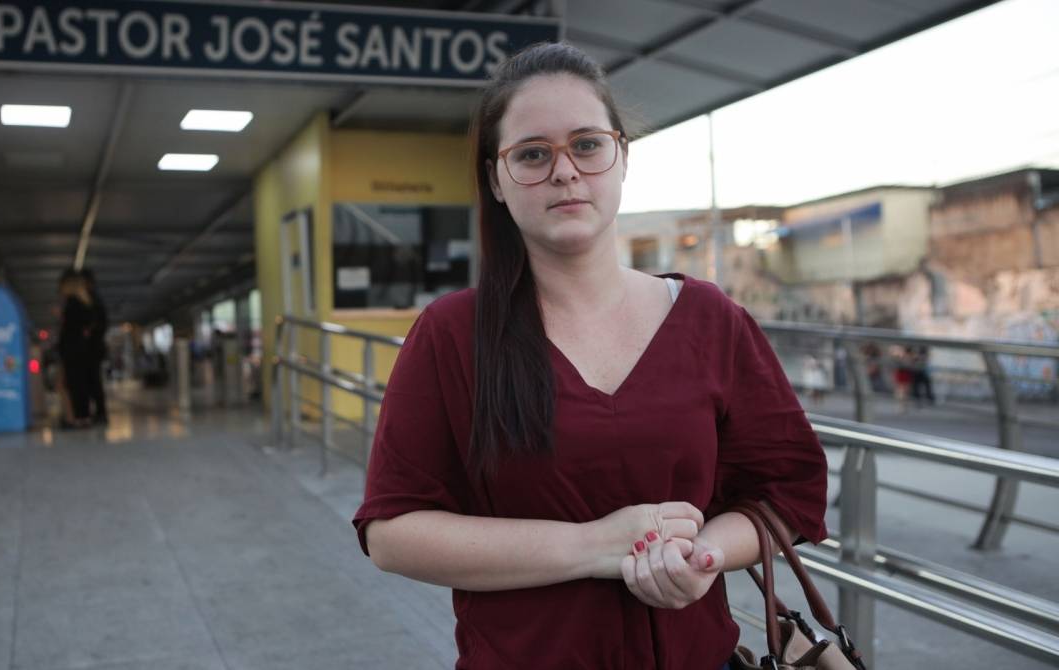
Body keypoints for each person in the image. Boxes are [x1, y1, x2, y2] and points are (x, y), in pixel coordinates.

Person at [352, 43, 827, 670]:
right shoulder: (453, 335)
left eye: (587, 144)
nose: (565, 171)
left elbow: (786, 491)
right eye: (531, 154)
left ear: (622, 155)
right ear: (495, 179)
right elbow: (392, 532)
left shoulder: (711, 320)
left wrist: (702, 556)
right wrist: (593, 547)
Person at [57, 269, 95, 428]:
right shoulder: (86, 303)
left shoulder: (71, 303)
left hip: (71, 349)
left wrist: (61, 316)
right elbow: (87, 328)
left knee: (72, 383)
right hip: (82, 349)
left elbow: (67, 329)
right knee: (81, 383)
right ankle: (83, 416)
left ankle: (75, 418)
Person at [79, 268, 109, 424]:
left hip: (92, 348)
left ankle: (100, 412)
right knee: (93, 380)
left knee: (93, 380)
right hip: (93, 347)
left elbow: (101, 324)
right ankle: (99, 412)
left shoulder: (92, 300)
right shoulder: (92, 298)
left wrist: (89, 332)